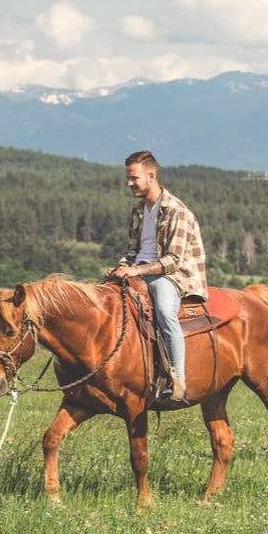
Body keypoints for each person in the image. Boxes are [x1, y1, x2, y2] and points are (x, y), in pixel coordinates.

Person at [105, 150, 207, 402]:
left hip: (172, 276)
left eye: (134, 178)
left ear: (151, 176)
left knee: (164, 312)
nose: (129, 184)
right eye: (128, 178)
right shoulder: (139, 210)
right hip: (141, 270)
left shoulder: (176, 211)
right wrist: (120, 268)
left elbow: (173, 261)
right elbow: (132, 251)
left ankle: (178, 380)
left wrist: (136, 270)